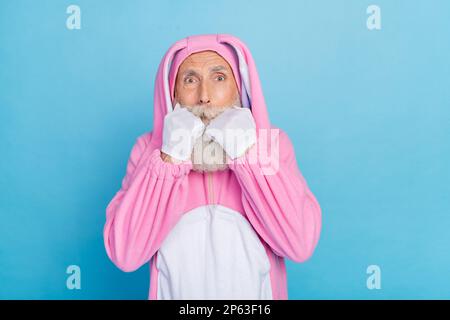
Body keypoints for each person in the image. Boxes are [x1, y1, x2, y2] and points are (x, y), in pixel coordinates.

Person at [103, 33, 322, 300]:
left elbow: (298, 245)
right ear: (172, 93)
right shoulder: (148, 150)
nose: (204, 97)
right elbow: (126, 254)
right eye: (190, 80)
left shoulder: (272, 145)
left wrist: (248, 155)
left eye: (219, 78)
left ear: (239, 87)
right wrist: (168, 160)